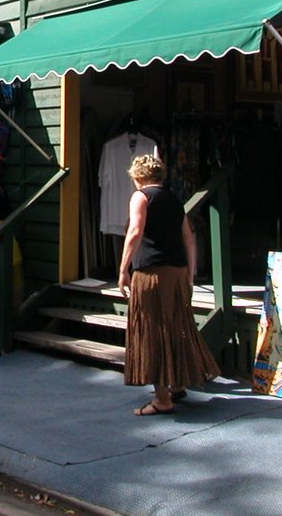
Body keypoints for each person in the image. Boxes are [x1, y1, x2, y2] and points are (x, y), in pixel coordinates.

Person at [117, 154, 220, 416]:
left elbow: (135, 231)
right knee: (176, 326)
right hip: (177, 271)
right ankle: (177, 384)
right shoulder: (175, 201)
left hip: (151, 273)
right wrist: (191, 272)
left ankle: (162, 399)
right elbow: (189, 237)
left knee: (153, 331)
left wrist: (123, 269)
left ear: (138, 177)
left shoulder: (141, 197)